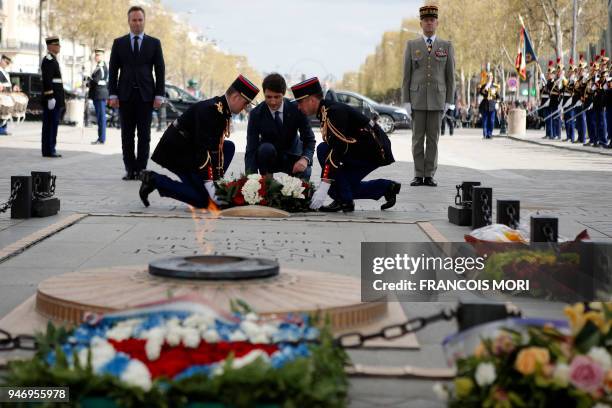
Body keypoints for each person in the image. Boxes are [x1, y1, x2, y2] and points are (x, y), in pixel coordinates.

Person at [138, 75, 259, 208]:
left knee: (228, 147)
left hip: (191, 149)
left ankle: (205, 187)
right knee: (203, 201)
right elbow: (203, 150)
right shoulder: (211, 110)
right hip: (177, 151)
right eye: (246, 103)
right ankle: (153, 179)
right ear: (235, 97)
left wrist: (217, 181)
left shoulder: (222, 109)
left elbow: (216, 147)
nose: (245, 108)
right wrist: (209, 185)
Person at [290, 77, 400, 212]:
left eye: (300, 102)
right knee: (341, 186)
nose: (298, 107)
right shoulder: (326, 111)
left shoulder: (334, 112)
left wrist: (324, 184)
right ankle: (386, 188)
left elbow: (338, 148)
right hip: (359, 149)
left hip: (373, 151)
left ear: (312, 100)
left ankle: (345, 200)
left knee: (325, 156)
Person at [109, 5, 165, 180]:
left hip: (146, 96)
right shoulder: (119, 43)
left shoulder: (154, 43)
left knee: (144, 135)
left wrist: (159, 94)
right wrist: (113, 94)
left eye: (140, 20)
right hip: (125, 96)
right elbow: (113, 70)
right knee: (126, 135)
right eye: (134, 20)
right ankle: (130, 169)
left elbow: (160, 69)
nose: (137, 23)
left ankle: (141, 169)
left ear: (144, 21)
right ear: (128, 21)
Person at [402, 4, 455, 187]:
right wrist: (406, 101)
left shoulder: (446, 46)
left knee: (433, 139)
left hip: (437, 100)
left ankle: (429, 174)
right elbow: (406, 76)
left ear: (437, 23)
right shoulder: (412, 45)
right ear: (421, 23)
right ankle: (418, 174)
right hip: (417, 100)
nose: (429, 23)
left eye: (432, 20)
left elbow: (450, 77)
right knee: (417, 139)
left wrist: (449, 100)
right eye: (426, 21)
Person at [245, 73, 315, 180]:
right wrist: (251, 180)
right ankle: (267, 184)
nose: (273, 102)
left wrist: (305, 159)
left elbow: (309, 139)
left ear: (283, 94)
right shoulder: (256, 114)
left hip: (293, 156)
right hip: (269, 156)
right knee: (265, 149)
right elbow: (251, 148)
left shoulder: (297, 109)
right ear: (264, 94)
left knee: (304, 174)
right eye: (268, 97)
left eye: (277, 97)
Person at [41, 36, 65, 158]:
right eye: (56, 45)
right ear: (50, 47)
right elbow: (47, 80)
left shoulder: (53, 60)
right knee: (51, 124)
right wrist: (50, 97)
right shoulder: (49, 60)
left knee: (50, 124)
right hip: (52, 98)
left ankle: (48, 149)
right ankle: (50, 149)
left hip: (55, 98)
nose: (59, 47)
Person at [89, 48, 109, 145]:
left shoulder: (101, 67)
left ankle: (101, 138)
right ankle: (101, 137)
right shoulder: (98, 66)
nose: (96, 57)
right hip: (98, 94)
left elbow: (96, 80)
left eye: (98, 55)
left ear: (102, 56)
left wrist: (89, 81)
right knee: (100, 117)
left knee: (101, 117)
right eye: (96, 55)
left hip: (99, 94)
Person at [478, 71, 499, 139]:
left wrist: (497, 102)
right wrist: (483, 88)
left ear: (492, 77)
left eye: (490, 76)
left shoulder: (495, 86)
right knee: (485, 120)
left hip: (492, 105)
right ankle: (485, 134)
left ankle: (490, 134)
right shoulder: (484, 85)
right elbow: (480, 92)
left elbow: (498, 96)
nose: (489, 77)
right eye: (488, 76)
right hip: (485, 105)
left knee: (492, 121)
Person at [0, 55, 12, 135]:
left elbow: (8, 83)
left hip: (6, 95)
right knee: (1, 113)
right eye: (6, 62)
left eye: (8, 63)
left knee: (6, 112)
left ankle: (4, 128)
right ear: (2, 61)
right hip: (1, 94)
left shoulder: (5, 72)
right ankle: (1, 129)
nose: (7, 64)